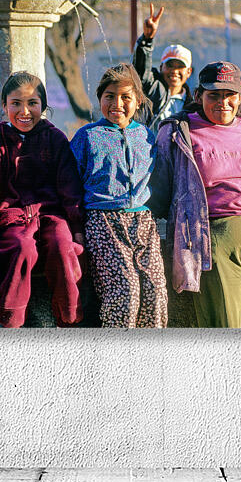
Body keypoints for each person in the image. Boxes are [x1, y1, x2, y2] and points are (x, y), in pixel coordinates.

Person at [149, 61, 241, 328]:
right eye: (214, 95)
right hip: (216, 238)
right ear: (198, 96)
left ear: (240, 98)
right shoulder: (178, 130)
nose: (224, 102)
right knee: (224, 324)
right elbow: (159, 189)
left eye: (230, 95)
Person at [0, 71, 85, 328]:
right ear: (4, 106)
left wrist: (78, 229)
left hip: (51, 214)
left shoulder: (55, 139)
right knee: (22, 248)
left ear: (43, 106)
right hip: (13, 218)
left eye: (32, 103)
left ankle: (69, 317)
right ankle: (12, 319)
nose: (24, 111)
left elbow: (69, 187)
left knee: (61, 244)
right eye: (16, 103)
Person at [70, 63, 168, 328]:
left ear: (138, 100)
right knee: (125, 293)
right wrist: (76, 227)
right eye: (109, 97)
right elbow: (69, 186)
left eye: (126, 97)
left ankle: (150, 361)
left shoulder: (146, 136)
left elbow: (158, 180)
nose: (118, 104)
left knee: (155, 292)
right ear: (100, 99)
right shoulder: (87, 137)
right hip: (104, 223)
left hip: (143, 224)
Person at [132, 3, 194, 131]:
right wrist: (147, 40)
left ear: (189, 72)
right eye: (170, 65)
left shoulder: (194, 104)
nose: (174, 71)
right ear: (161, 68)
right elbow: (141, 73)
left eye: (180, 67)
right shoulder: (153, 90)